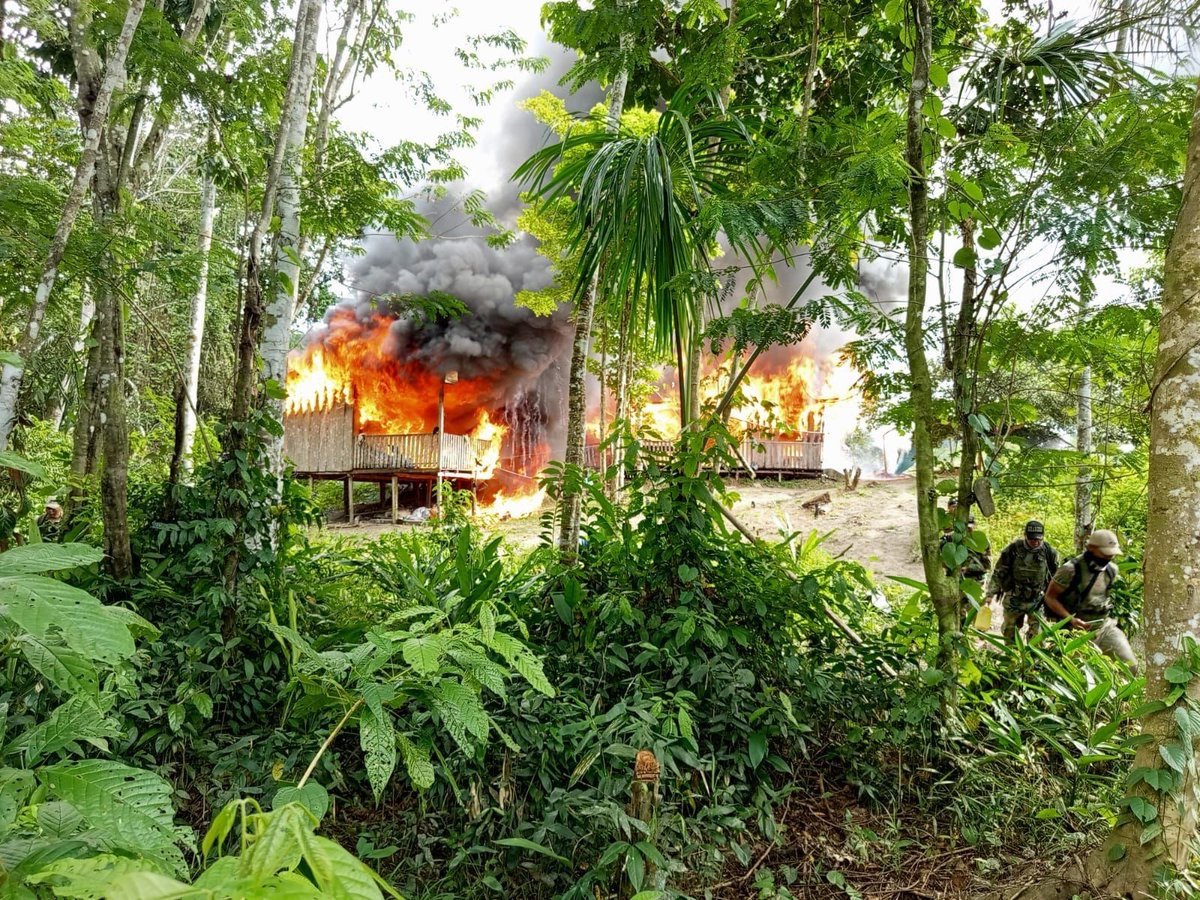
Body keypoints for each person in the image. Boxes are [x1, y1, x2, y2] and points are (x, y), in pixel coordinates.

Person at [1042, 529, 1136, 671]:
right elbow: (1050, 597)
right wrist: (1070, 620)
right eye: (1105, 553)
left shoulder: (1112, 570)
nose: (1109, 557)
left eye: (1112, 554)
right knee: (1077, 673)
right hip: (1075, 631)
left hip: (1104, 626)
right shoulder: (1070, 570)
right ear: (1091, 548)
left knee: (1130, 666)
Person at [987, 520, 1059, 642]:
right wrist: (990, 594)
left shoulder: (1049, 552)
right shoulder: (1012, 550)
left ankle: (1034, 659)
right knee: (1010, 632)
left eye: (1038, 539)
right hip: (1015, 598)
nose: (1035, 542)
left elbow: (1056, 576)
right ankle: (1011, 658)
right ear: (1025, 536)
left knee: (1037, 636)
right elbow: (999, 572)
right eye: (1032, 539)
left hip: (1037, 600)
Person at [941, 507, 991, 618]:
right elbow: (941, 561)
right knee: (958, 612)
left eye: (970, 526)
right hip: (956, 581)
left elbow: (987, 565)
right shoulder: (949, 540)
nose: (968, 530)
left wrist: (967, 568)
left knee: (977, 613)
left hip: (976, 581)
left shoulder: (981, 541)